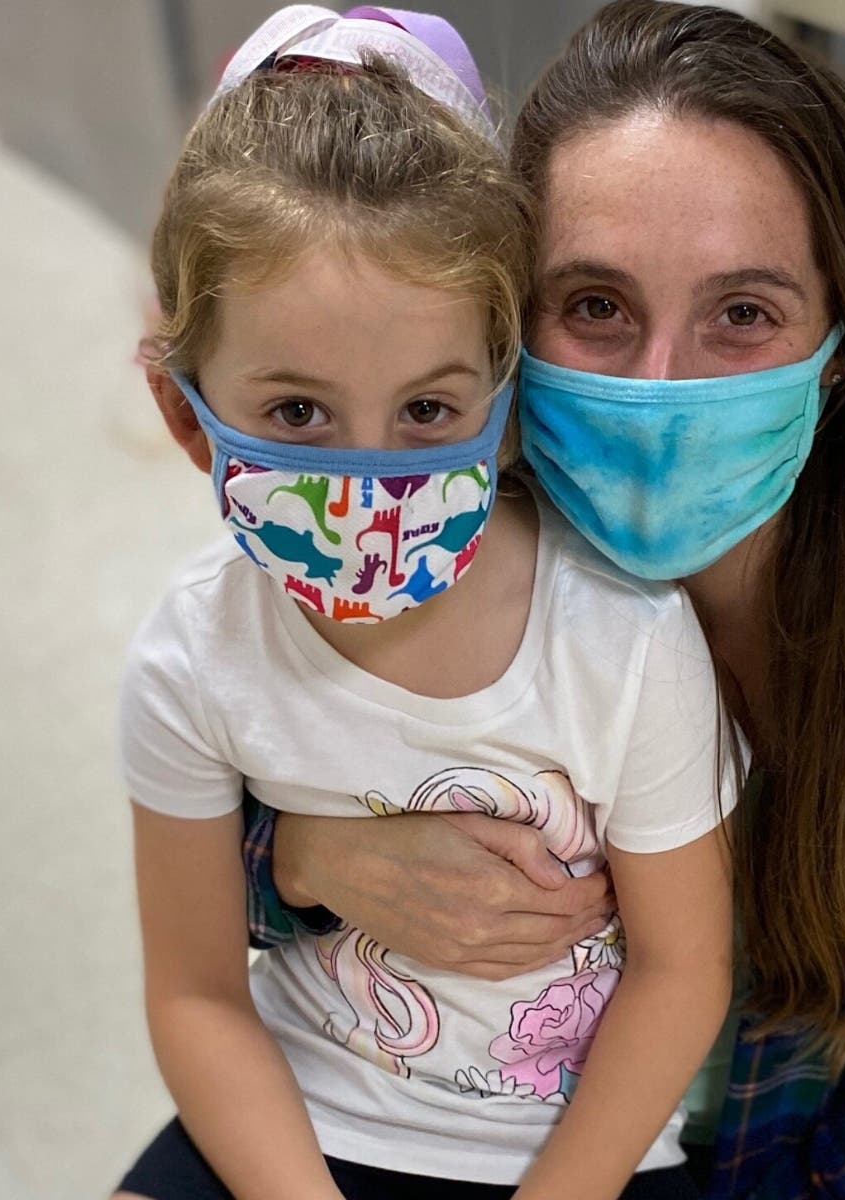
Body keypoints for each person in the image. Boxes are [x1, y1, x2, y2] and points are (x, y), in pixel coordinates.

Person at [253, 3, 845, 1198]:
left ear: (843, 348)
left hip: (798, 1157)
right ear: (506, 323)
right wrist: (299, 860)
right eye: (595, 307)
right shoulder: (408, 539)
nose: (659, 387)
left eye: (742, 315)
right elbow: (217, 756)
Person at [113, 6, 741, 1199]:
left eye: (427, 412)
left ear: (503, 396)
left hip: (583, 1159)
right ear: (188, 415)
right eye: (296, 413)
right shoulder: (190, 661)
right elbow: (195, 993)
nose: (368, 475)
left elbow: (681, 974)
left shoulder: (626, 639)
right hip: (293, 1122)